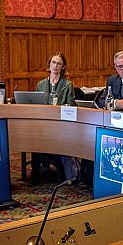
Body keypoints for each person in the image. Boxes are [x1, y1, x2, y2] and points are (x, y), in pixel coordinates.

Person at [34, 52, 79, 182]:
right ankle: (39, 172)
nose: (55, 65)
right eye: (53, 62)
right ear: (49, 64)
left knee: (63, 140)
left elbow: (70, 105)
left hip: (61, 123)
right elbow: (37, 104)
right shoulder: (41, 84)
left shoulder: (67, 84)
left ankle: (72, 176)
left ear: (63, 67)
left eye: (59, 63)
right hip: (44, 122)